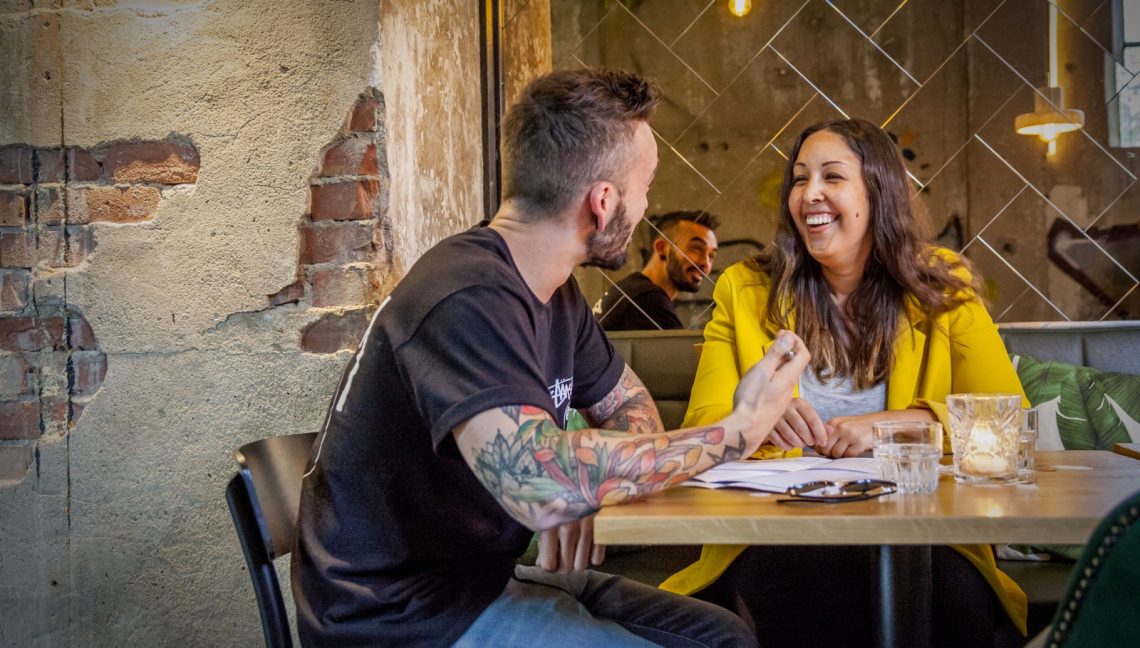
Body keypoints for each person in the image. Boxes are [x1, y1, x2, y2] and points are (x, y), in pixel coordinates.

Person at [291, 68, 811, 648]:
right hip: (401, 618)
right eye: (645, 187)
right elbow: (538, 483)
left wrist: (582, 482)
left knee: (725, 637)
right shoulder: (469, 296)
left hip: (482, 583)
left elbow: (632, 409)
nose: (646, 205)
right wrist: (738, 430)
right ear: (604, 200)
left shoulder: (554, 292)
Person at [659, 118, 1030, 647]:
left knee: (948, 601)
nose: (810, 194)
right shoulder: (744, 290)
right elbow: (703, 427)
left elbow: (1008, 422)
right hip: (779, 533)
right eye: (800, 178)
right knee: (804, 590)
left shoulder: (943, 286)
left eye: (832, 177)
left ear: (878, 192)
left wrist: (897, 426)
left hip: (925, 536)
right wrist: (753, 421)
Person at [595, 211, 720, 330]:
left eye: (711, 256)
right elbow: (678, 352)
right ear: (662, 248)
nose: (706, 263)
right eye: (696, 248)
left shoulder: (632, 289)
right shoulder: (647, 299)